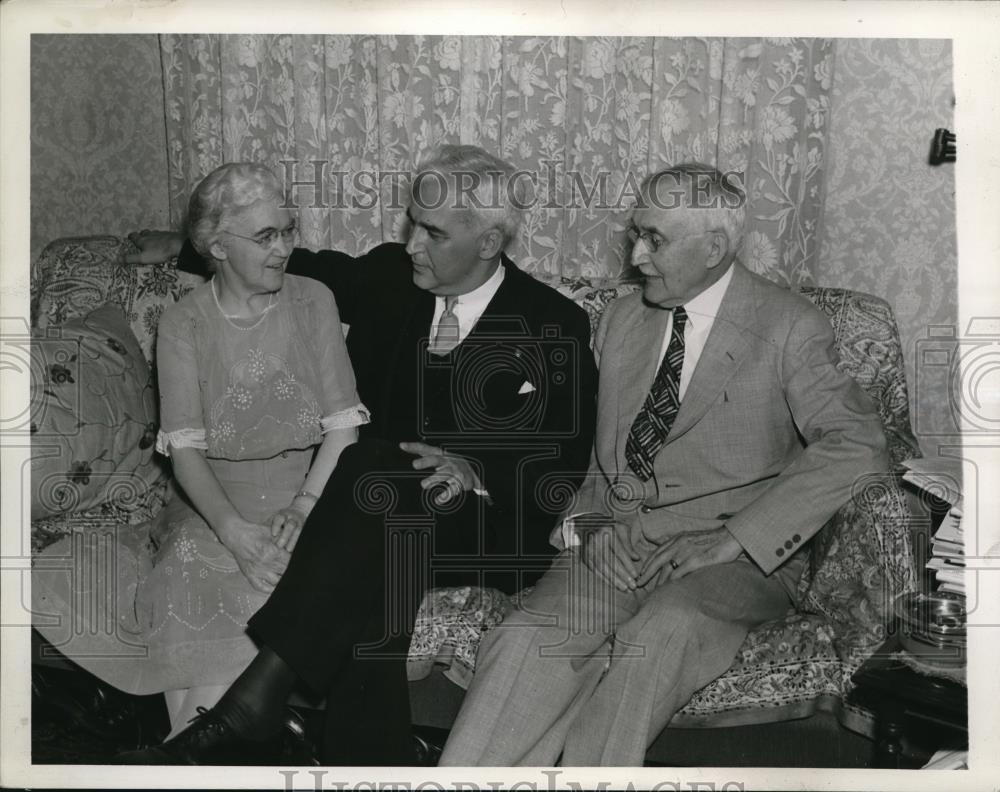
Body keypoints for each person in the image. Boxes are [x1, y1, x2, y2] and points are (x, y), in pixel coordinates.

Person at [119, 145, 598, 764]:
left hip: (480, 525)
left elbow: (562, 467)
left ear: (487, 242)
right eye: (411, 224)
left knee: (372, 476)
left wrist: (475, 470)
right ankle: (364, 760)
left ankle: (254, 701)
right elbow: (291, 261)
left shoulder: (553, 323)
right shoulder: (388, 277)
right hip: (379, 514)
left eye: (432, 233)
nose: (411, 245)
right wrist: (185, 244)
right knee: (379, 523)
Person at [437, 164, 890, 766]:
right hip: (615, 546)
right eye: (635, 234)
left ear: (715, 248)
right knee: (527, 640)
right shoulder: (623, 320)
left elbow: (858, 443)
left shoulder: (788, 326)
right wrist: (590, 524)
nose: (635, 256)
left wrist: (735, 539)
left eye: (654, 239)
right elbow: (590, 451)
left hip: (729, 562)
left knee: (658, 636)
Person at [33, 163, 368, 737]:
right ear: (217, 246)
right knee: (192, 577)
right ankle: (194, 750)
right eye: (266, 236)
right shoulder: (182, 322)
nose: (284, 247)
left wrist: (304, 508)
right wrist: (234, 533)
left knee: (273, 592)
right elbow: (185, 451)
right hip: (212, 507)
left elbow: (343, 429)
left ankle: (184, 753)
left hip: (309, 499)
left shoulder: (315, 300)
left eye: (288, 229)